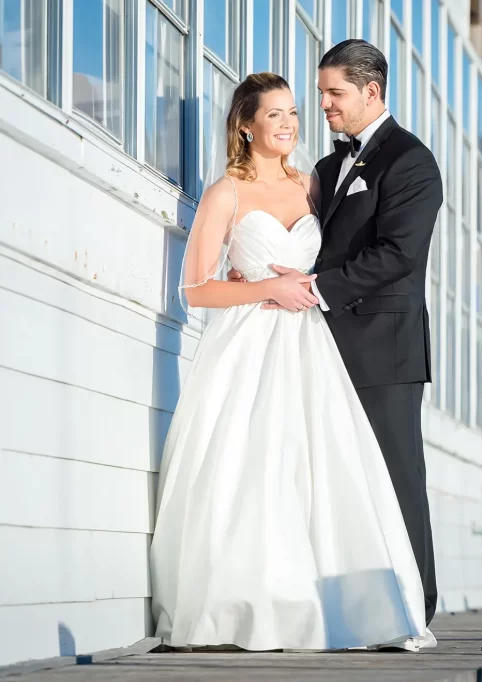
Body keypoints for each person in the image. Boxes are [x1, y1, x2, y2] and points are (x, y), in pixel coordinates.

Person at [149, 71, 437, 653]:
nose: (290, 123)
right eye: (275, 114)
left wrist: (304, 286)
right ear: (246, 125)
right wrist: (262, 289)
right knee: (253, 469)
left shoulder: (316, 184)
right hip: (251, 349)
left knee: (321, 467)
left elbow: (350, 253)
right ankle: (251, 601)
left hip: (315, 344)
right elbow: (196, 290)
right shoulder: (224, 192)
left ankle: (338, 601)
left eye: (294, 112)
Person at [233, 39, 442, 628]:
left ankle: (414, 608)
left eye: (333, 93)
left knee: (397, 478)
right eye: (320, 93)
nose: (321, 105)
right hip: (318, 349)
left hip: (384, 347)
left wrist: (316, 286)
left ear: (371, 91)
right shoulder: (326, 168)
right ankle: (352, 608)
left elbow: (399, 254)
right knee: (338, 481)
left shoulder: (412, 162)